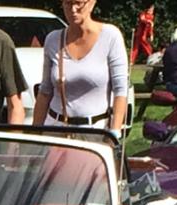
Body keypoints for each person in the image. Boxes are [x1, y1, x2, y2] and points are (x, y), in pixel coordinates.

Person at [32, 0, 129, 137]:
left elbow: (121, 90)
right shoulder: (53, 39)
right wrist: (34, 133)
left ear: (91, 3)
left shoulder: (110, 36)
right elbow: (45, 92)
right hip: (56, 130)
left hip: (95, 132)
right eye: (68, 3)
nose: (73, 9)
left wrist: (114, 132)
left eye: (78, 3)